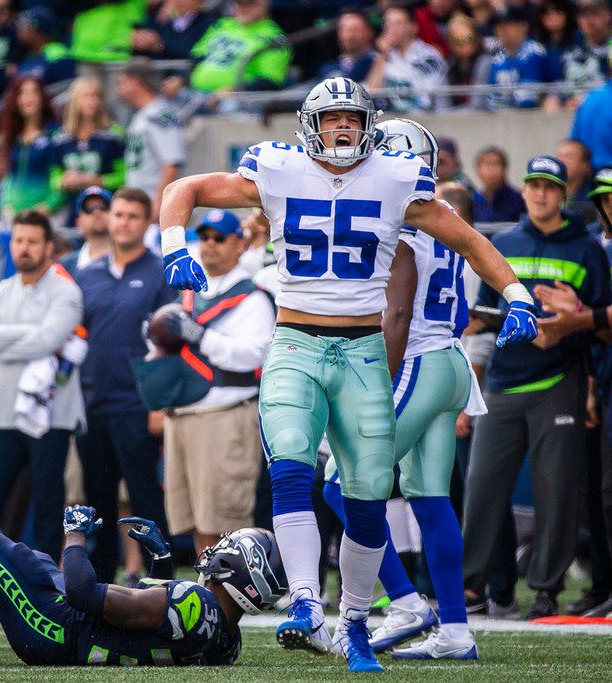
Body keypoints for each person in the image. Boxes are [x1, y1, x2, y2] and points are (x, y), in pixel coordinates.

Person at [158, 76, 537, 672]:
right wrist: (174, 245)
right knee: (290, 466)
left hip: (362, 349)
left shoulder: (393, 176)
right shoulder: (277, 168)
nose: (342, 128)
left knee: (365, 498)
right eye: (332, 118)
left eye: (352, 119)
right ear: (311, 124)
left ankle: (356, 620)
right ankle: (307, 601)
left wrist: (517, 294)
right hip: (295, 341)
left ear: (368, 126)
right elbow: (185, 186)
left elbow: (467, 240)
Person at [322, 118, 480, 660]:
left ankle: (407, 601)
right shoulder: (447, 213)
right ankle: (456, 632)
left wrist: (374, 385)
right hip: (450, 360)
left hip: (416, 358)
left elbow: (396, 312)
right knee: (430, 498)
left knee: (340, 482)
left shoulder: (404, 218)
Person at [0, 511, 283, 666]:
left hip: (58, 626)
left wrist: (75, 534)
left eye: (231, 549)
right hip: (69, 636)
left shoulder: (194, 603)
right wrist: (162, 560)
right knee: (23, 565)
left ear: (239, 569)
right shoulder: (227, 641)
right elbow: (157, 624)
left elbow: (87, 594)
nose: (220, 549)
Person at [462, 156, 611, 620]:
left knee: (556, 492)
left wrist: (568, 328)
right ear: (523, 190)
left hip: (559, 380)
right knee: (482, 488)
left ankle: (546, 587)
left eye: (550, 186)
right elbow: (482, 321)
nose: (540, 194)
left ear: (564, 194)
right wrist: (472, 390)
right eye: (533, 185)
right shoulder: (503, 242)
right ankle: (471, 587)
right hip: (504, 382)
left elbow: (602, 324)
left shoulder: (587, 249)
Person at [74, 187, 176, 584]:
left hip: (137, 403)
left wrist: (159, 404)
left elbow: (170, 344)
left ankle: (160, 580)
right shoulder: (87, 276)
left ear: (147, 222)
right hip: (92, 402)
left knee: (144, 498)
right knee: (95, 501)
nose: (123, 222)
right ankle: (96, 586)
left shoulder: (160, 272)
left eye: (133, 216)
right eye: (118, 215)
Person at [0, 211, 84, 563]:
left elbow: (48, 340)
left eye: (32, 241)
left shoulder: (66, 291)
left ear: (48, 247)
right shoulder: (1, 291)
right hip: (3, 412)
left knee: (48, 499)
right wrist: (32, 334)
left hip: (53, 413)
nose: (24, 248)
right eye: (19, 240)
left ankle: (47, 578)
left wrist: (5, 335)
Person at [160, 209, 274, 557]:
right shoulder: (188, 292)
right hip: (182, 412)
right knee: (194, 516)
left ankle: (230, 598)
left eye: (220, 238)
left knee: (225, 516)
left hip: (226, 414)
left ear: (240, 244)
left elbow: (252, 356)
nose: (209, 245)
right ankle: (208, 595)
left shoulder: (253, 297)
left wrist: (201, 336)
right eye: (204, 237)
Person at [118, 59, 185, 224]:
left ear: (135, 82)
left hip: (152, 203)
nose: (119, 89)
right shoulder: (142, 115)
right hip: (139, 203)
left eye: (123, 82)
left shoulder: (160, 114)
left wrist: (160, 205)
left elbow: (172, 162)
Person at [51, 76, 125, 209]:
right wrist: (63, 181)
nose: (92, 102)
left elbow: (123, 177)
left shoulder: (113, 134)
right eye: (86, 97)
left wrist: (90, 180)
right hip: (73, 208)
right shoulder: (61, 137)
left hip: (106, 206)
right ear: (75, 101)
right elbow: (54, 177)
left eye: (96, 96)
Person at [189, 0, 291, 93]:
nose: (242, 8)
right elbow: (197, 56)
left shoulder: (273, 37)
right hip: (196, 93)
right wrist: (180, 79)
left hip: (240, 99)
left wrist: (234, 90)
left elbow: (270, 80)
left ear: (265, 5)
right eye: (239, 3)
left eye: (249, 4)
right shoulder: (222, 24)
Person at [0, 76, 63, 217]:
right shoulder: (13, 136)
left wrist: (48, 206)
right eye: (22, 93)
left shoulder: (55, 135)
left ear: (42, 97)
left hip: (45, 214)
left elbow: (60, 177)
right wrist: (6, 205)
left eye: (33, 92)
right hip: (13, 215)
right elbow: (9, 176)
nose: (28, 98)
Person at [365, 4, 448, 112]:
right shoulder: (386, 55)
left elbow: (425, 103)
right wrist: (382, 54)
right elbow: (372, 93)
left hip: (434, 119)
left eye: (397, 23)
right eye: (387, 23)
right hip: (397, 119)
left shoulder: (428, 57)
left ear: (413, 27)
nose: (390, 29)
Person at [488, 5, 555, 110]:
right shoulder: (497, 60)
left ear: (523, 26)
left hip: (534, 118)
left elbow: (528, 101)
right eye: (498, 25)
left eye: (508, 24)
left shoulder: (534, 52)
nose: (502, 29)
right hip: (505, 120)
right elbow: (493, 102)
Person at [132, 0, 217, 62]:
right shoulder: (157, 18)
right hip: (154, 76)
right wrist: (139, 41)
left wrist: (160, 46)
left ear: (200, 2)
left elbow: (193, 55)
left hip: (186, 79)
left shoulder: (208, 24)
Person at [15, 7, 75, 86]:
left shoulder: (57, 54)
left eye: (24, 25)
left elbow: (65, 88)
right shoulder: (27, 56)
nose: (19, 30)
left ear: (37, 30)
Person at [60, 186, 111, 276]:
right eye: (88, 209)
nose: (97, 212)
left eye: (104, 207)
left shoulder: (131, 259)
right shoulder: (64, 267)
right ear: (78, 223)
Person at [445, 14, 492, 110]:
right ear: (450, 43)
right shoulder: (450, 67)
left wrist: (450, 115)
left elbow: (478, 105)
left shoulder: (485, 62)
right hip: (454, 120)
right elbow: (442, 104)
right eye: (458, 41)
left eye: (469, 38)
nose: (465, 44)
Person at [318, 9, 377, 82]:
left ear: (369, 32)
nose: (349, 36)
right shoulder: (328, 68)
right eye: (343, 29)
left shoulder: (378, 62)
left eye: (354, 30)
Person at [472, 146, 526, 223]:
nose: (491, 169)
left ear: (504, 169)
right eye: (487, 164)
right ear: (478, 170)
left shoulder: (519, 200)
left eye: (495, 164)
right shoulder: (473, 200)